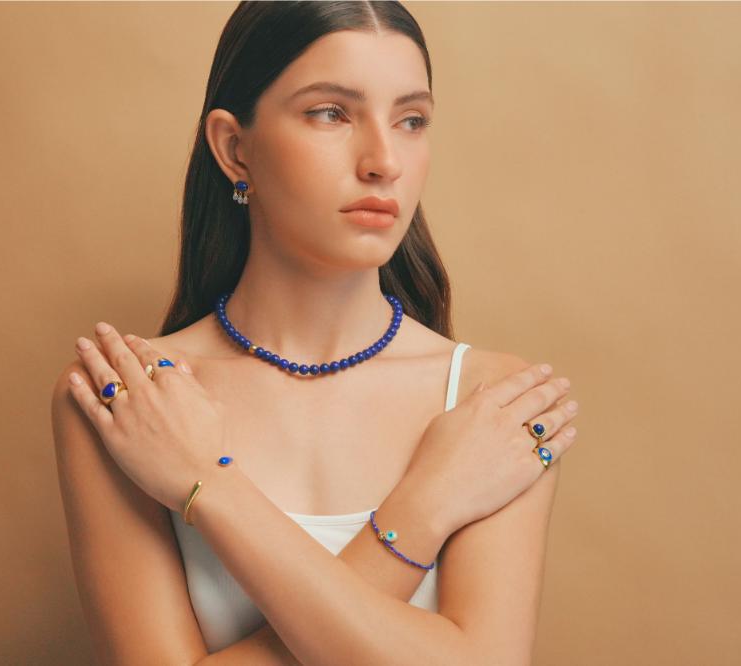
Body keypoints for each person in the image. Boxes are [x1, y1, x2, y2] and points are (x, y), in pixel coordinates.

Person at [51, 2, 579, 664]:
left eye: (411, 120)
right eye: (331, 113)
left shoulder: (493, 403)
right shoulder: (131, 399)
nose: (384, 161)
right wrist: (423, 510)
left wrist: (205, 485)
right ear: (234, 147)